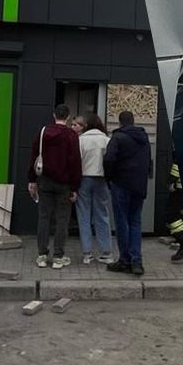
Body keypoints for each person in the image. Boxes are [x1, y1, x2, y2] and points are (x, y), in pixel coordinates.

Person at [29, 104, 82, 269]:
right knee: (62, 220)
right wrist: (75, 187)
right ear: (67, 117)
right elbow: (75, 162)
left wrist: (31, 180)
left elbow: (34, 156)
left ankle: (42, 255)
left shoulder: (43, 132)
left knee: (44, 218)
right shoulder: (71, 135)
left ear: (54, 115)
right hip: (64, 183)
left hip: (44, 180)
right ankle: (58, 257)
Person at [103, 110, 151, 276]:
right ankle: (136, 261)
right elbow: (148, 163)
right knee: (135, 221)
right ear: (133, 120)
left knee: (122, 222)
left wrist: (109, 178)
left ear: (120, 122)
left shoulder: (117, 137)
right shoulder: (144, 139)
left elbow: (109, 159)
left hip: (121, 184)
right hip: (139, 185)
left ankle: (124, 260)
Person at [73, 113, 114, 265]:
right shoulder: (107, 140)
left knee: (83, 214)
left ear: (87, 125)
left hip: (84, 179)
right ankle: (106, 252)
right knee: (102, 214)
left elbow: (76, 162)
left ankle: (87, 253)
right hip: (101, 179)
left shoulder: (80, 140)